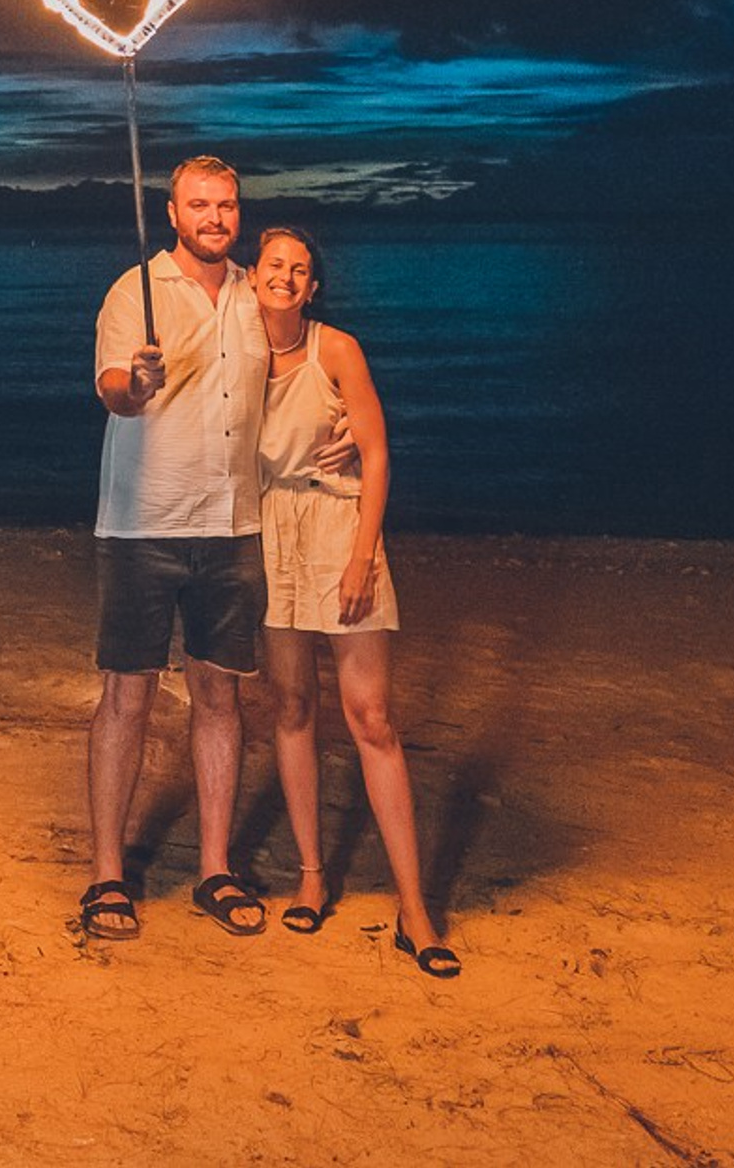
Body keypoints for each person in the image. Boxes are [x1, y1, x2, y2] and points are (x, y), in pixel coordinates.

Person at [250, 223, 460, 978]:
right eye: (274, 264)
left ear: (313, 287)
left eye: (299, 269)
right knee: (292, 707)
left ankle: (415, 908)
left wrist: (362, 554)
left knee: (371, 716)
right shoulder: (233, 354)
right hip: (270, 532)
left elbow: (375, 454)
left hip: (339, 524)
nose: (286, 276)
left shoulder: (335, 349)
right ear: (252, 275)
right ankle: (312, 874)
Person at [78, 153, 272, 943]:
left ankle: (215, 869)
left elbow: (296, 374)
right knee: (128, 697)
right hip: (144, 525)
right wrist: (139, 384)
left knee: (219, 697)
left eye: (226, 206)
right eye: (200, 206)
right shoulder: (137, 292)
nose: (215, 219)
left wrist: (342, 434)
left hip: (234, 524)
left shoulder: (258, 297)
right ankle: (105, 876)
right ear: (173, 214)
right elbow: (114, 391)